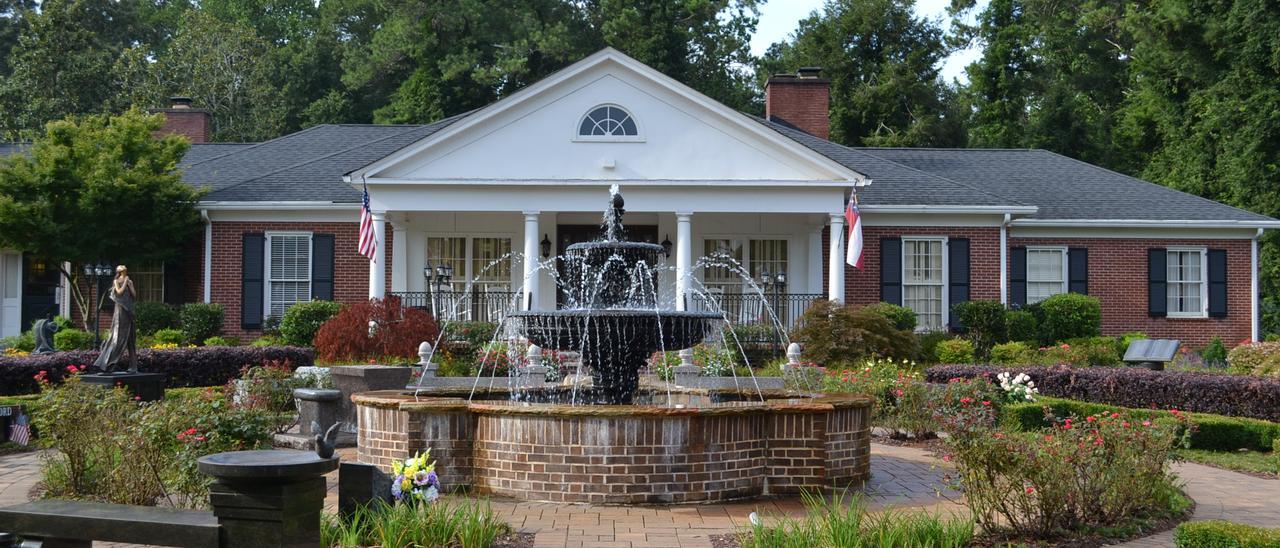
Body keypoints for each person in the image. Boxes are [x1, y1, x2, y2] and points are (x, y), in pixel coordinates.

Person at [93, 265, 138, 373]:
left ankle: (133, 366)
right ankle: (108, 363)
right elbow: (119, 292)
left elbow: (134, 295)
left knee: (131, 340)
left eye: (125, 271)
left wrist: (129, 284)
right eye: (123, 271)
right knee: (118, 337)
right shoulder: (116, 281)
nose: (124, 272)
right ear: (120, 272)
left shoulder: (129, 281)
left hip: (129, 311)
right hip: (121, 310)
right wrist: (125, 282)